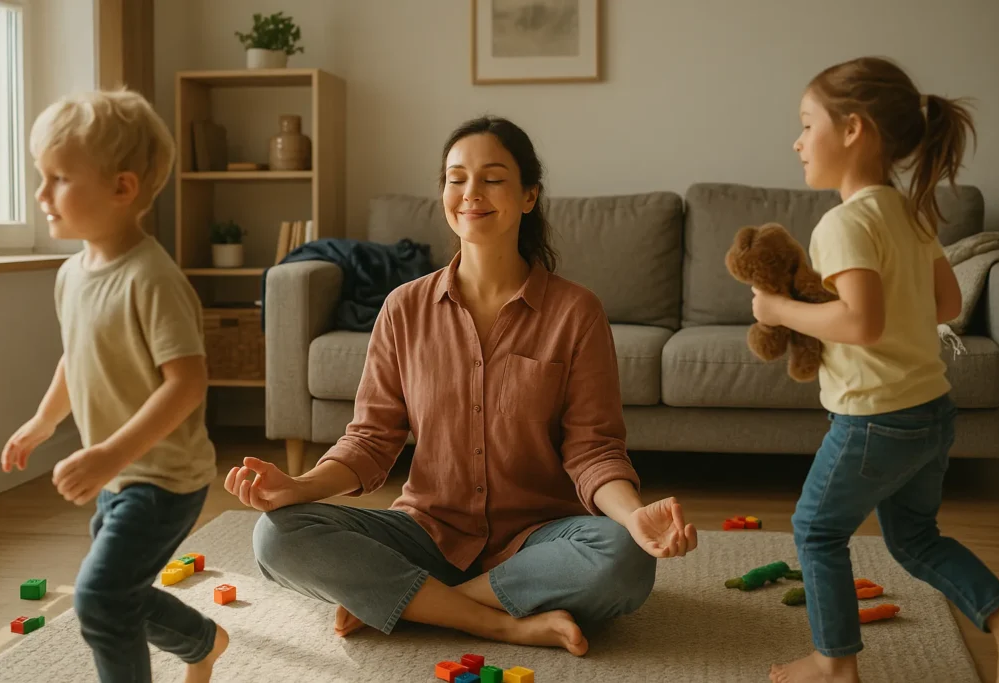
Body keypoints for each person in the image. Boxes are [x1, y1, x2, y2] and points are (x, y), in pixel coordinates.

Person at [225, 115, 698, 656]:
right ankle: (496, 621)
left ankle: (419, 604)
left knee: (625, 557)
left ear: (528, 196)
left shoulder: (576, 312)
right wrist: (298, 487)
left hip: (540, 539)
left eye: (493, 178)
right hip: (427, 532)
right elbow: (371, 440)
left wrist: (633, 516)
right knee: (275, 535)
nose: (471, 193)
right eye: (456, 178)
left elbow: (593, 450)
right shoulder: (404, 308)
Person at [751, 57, 999, 683]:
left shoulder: (843, 223)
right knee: (916, 539)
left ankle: (834, 662)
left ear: (853, 130)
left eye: (806, 122)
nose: (796, 139)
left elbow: (860, 324)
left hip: (874, 419)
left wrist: (778, 308)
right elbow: (948, 305)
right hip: (932, 411)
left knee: (815, 530)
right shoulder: (908, 211)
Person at [0, 89, 229, 682]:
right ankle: (201, 640)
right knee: (118, 593)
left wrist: (107, 454)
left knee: (99, 600)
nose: (41, 195)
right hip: (118, 473)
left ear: (122, 188)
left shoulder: (152, 278)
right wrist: (45, 420)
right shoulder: (71, 274)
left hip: (164, 479)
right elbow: (76, 359)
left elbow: (187, 383)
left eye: (58, 179)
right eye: (40, 177)